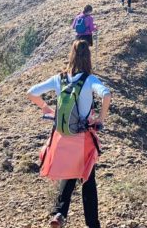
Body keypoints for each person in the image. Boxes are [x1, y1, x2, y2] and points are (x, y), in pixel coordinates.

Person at [28, 40, 112, 228]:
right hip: (83, 138)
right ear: (88, 58)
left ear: (71, 56)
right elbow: (106, 94)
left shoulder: (60, 78)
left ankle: (59, 213)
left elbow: (31, 92)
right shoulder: (89, 80)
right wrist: (100, 118)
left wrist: (46, 108)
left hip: (62, 137)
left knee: (70, 173)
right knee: (88, 180)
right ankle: (93, 224)